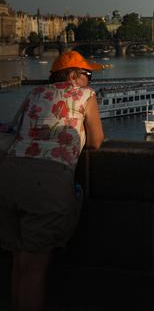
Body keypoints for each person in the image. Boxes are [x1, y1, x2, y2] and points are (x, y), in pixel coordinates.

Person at [0, 50, 104, 311]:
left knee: (18, 263)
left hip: (10, 175)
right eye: (87, 74)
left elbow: (14, 131)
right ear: (73, 75)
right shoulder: (85, 95)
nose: (89, 81)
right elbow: (96, 140)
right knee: (35, 269)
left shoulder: (34, 94)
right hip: (47, 180)